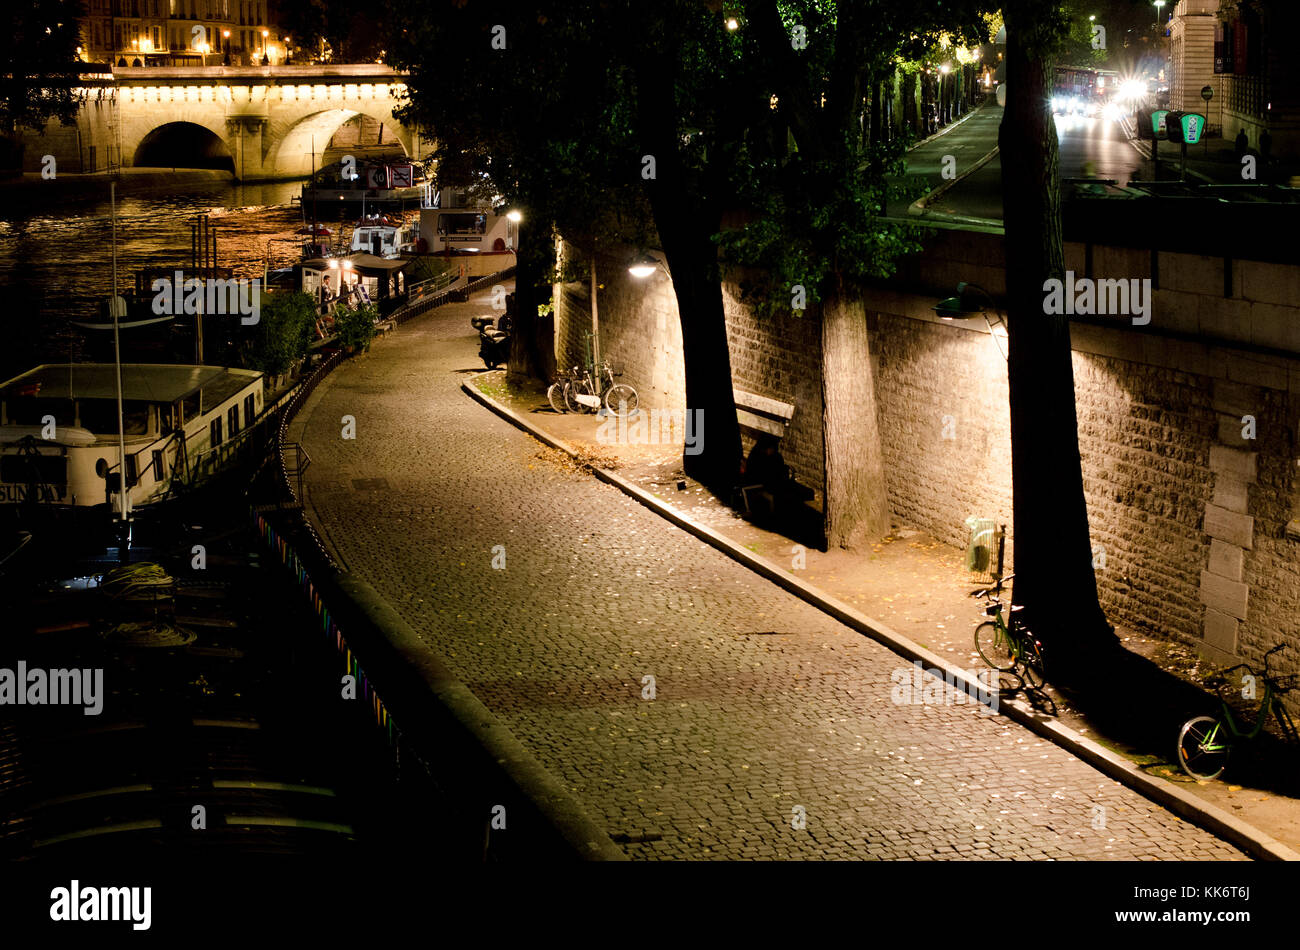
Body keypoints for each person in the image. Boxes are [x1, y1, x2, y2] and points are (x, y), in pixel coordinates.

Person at [742, 435, 813, 512]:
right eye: (770, 448)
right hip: (761, 482)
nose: (771, 450)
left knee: (802, 491)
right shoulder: (756, 457)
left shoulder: (776, 456)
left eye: (772, 449)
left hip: (774, 481)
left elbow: (779, 471)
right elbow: (758, 475)